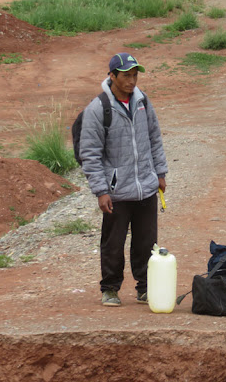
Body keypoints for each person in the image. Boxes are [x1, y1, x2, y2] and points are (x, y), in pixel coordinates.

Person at [79, 52, 168, 307]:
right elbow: (90, 153)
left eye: (135, 75)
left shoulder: (143, 102)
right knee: (113, 243)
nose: (132, 81)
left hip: (146, 187)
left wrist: (160, 173)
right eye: (126, 75)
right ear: (112, 76)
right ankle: (109, 289)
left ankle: (145, 288)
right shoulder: (98, 109)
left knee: (146, 242)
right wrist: (101, 191)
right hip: (116, 192)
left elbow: (154, 138)